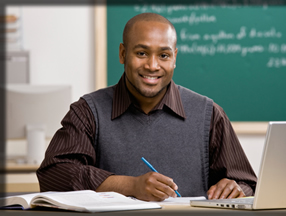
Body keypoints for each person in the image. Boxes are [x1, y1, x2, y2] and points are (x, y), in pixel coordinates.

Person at [37, 13, 257, 202]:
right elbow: (53, 174)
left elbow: (248, 183)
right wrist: (130, 186)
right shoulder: (87, 111)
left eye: (163, 55)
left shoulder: (209, 114)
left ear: (175, 58)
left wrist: (236, 189)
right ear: (123, 54)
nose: (152, 66)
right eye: (141, 53)